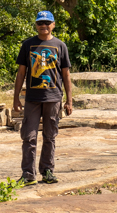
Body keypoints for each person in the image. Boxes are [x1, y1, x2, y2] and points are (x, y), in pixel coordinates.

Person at [13, 11, 73, 185]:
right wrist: (16, 98)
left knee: (50, 136)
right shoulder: (28, 45)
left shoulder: (60, 45)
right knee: (29, 136)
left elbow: (66, 75)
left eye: (47, 23)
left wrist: (69, 101)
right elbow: (21, 73)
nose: (43, 26)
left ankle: (47, 171)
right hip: (32, 98)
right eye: (40, 23)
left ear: (53, 24)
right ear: (36, 25)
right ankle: (28, 174)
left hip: (53, 98)